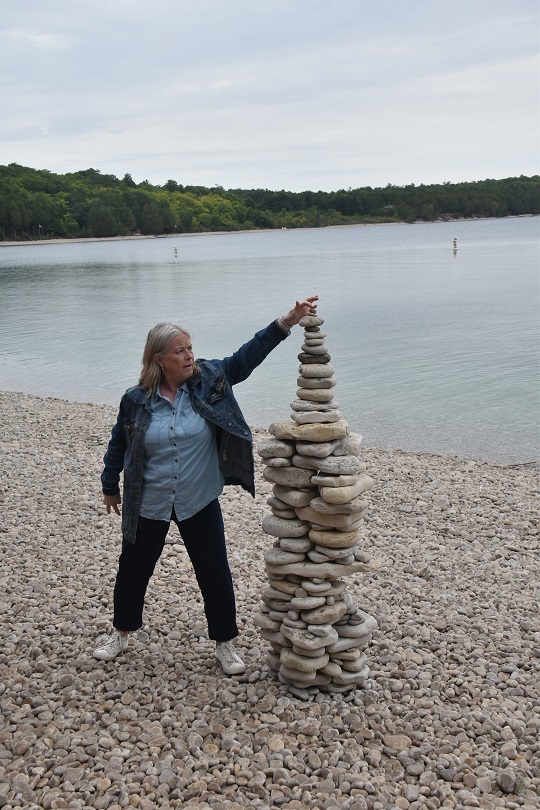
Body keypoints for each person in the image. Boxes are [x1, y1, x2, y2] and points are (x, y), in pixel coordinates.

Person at [94, 295, 319, 674]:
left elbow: (247, 357)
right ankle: (121, 633)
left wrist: (288, 321)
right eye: (179, 351)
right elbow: (119, 442)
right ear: (158, 359)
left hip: (198, 499)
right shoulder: (135, 400)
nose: (188, 356)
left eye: (190, 348)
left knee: (214, 571)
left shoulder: (209, 380)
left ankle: (225, 643)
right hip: (148, 500)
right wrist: (109, 484)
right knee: (132, 571)